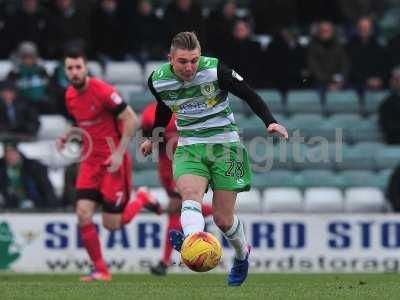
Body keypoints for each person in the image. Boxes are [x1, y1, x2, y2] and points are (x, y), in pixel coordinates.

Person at [140, 32, 288, 286]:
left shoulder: (216, 70)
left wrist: (270, 121)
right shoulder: (158, 80)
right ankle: (192, 240)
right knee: (189, 195)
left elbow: (249, 94)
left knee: (223, 219)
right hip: (189, 146)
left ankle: (242, 256)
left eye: (194, 60)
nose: (189, 67)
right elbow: (165, 106)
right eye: (183, 61)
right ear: (170, 59)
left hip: (226, 146)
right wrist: (153, 138)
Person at [57, 48, 161, 282]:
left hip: (113, 162)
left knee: (112, 224)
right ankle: (101, 270)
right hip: (90, 162)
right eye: (70, 68)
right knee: (83, 214)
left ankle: (141, 198)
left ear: (85, 68)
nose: (74, 72)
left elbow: (131, 119)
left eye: (78, 67)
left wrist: (118, 153)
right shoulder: (70, 96)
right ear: (65, 71)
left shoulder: (102, 91)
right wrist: (67, 136)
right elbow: (82, 124)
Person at [141, 102, 213, 276]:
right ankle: (213, 215)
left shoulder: (192, 104)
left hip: (188, 163)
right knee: (178, 209)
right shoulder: (150, 112)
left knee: (176, 208)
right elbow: (148, 137)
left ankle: (164, 262)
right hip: (166, 167)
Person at [0, 140, 57, 209]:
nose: (10, 157)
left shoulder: (33, 167)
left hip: (35, 205)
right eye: (8, 154)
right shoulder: (2, 168)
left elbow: (46, 189)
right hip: (10, 205)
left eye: (13, 153)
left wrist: (51, 207)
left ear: (18, 153)